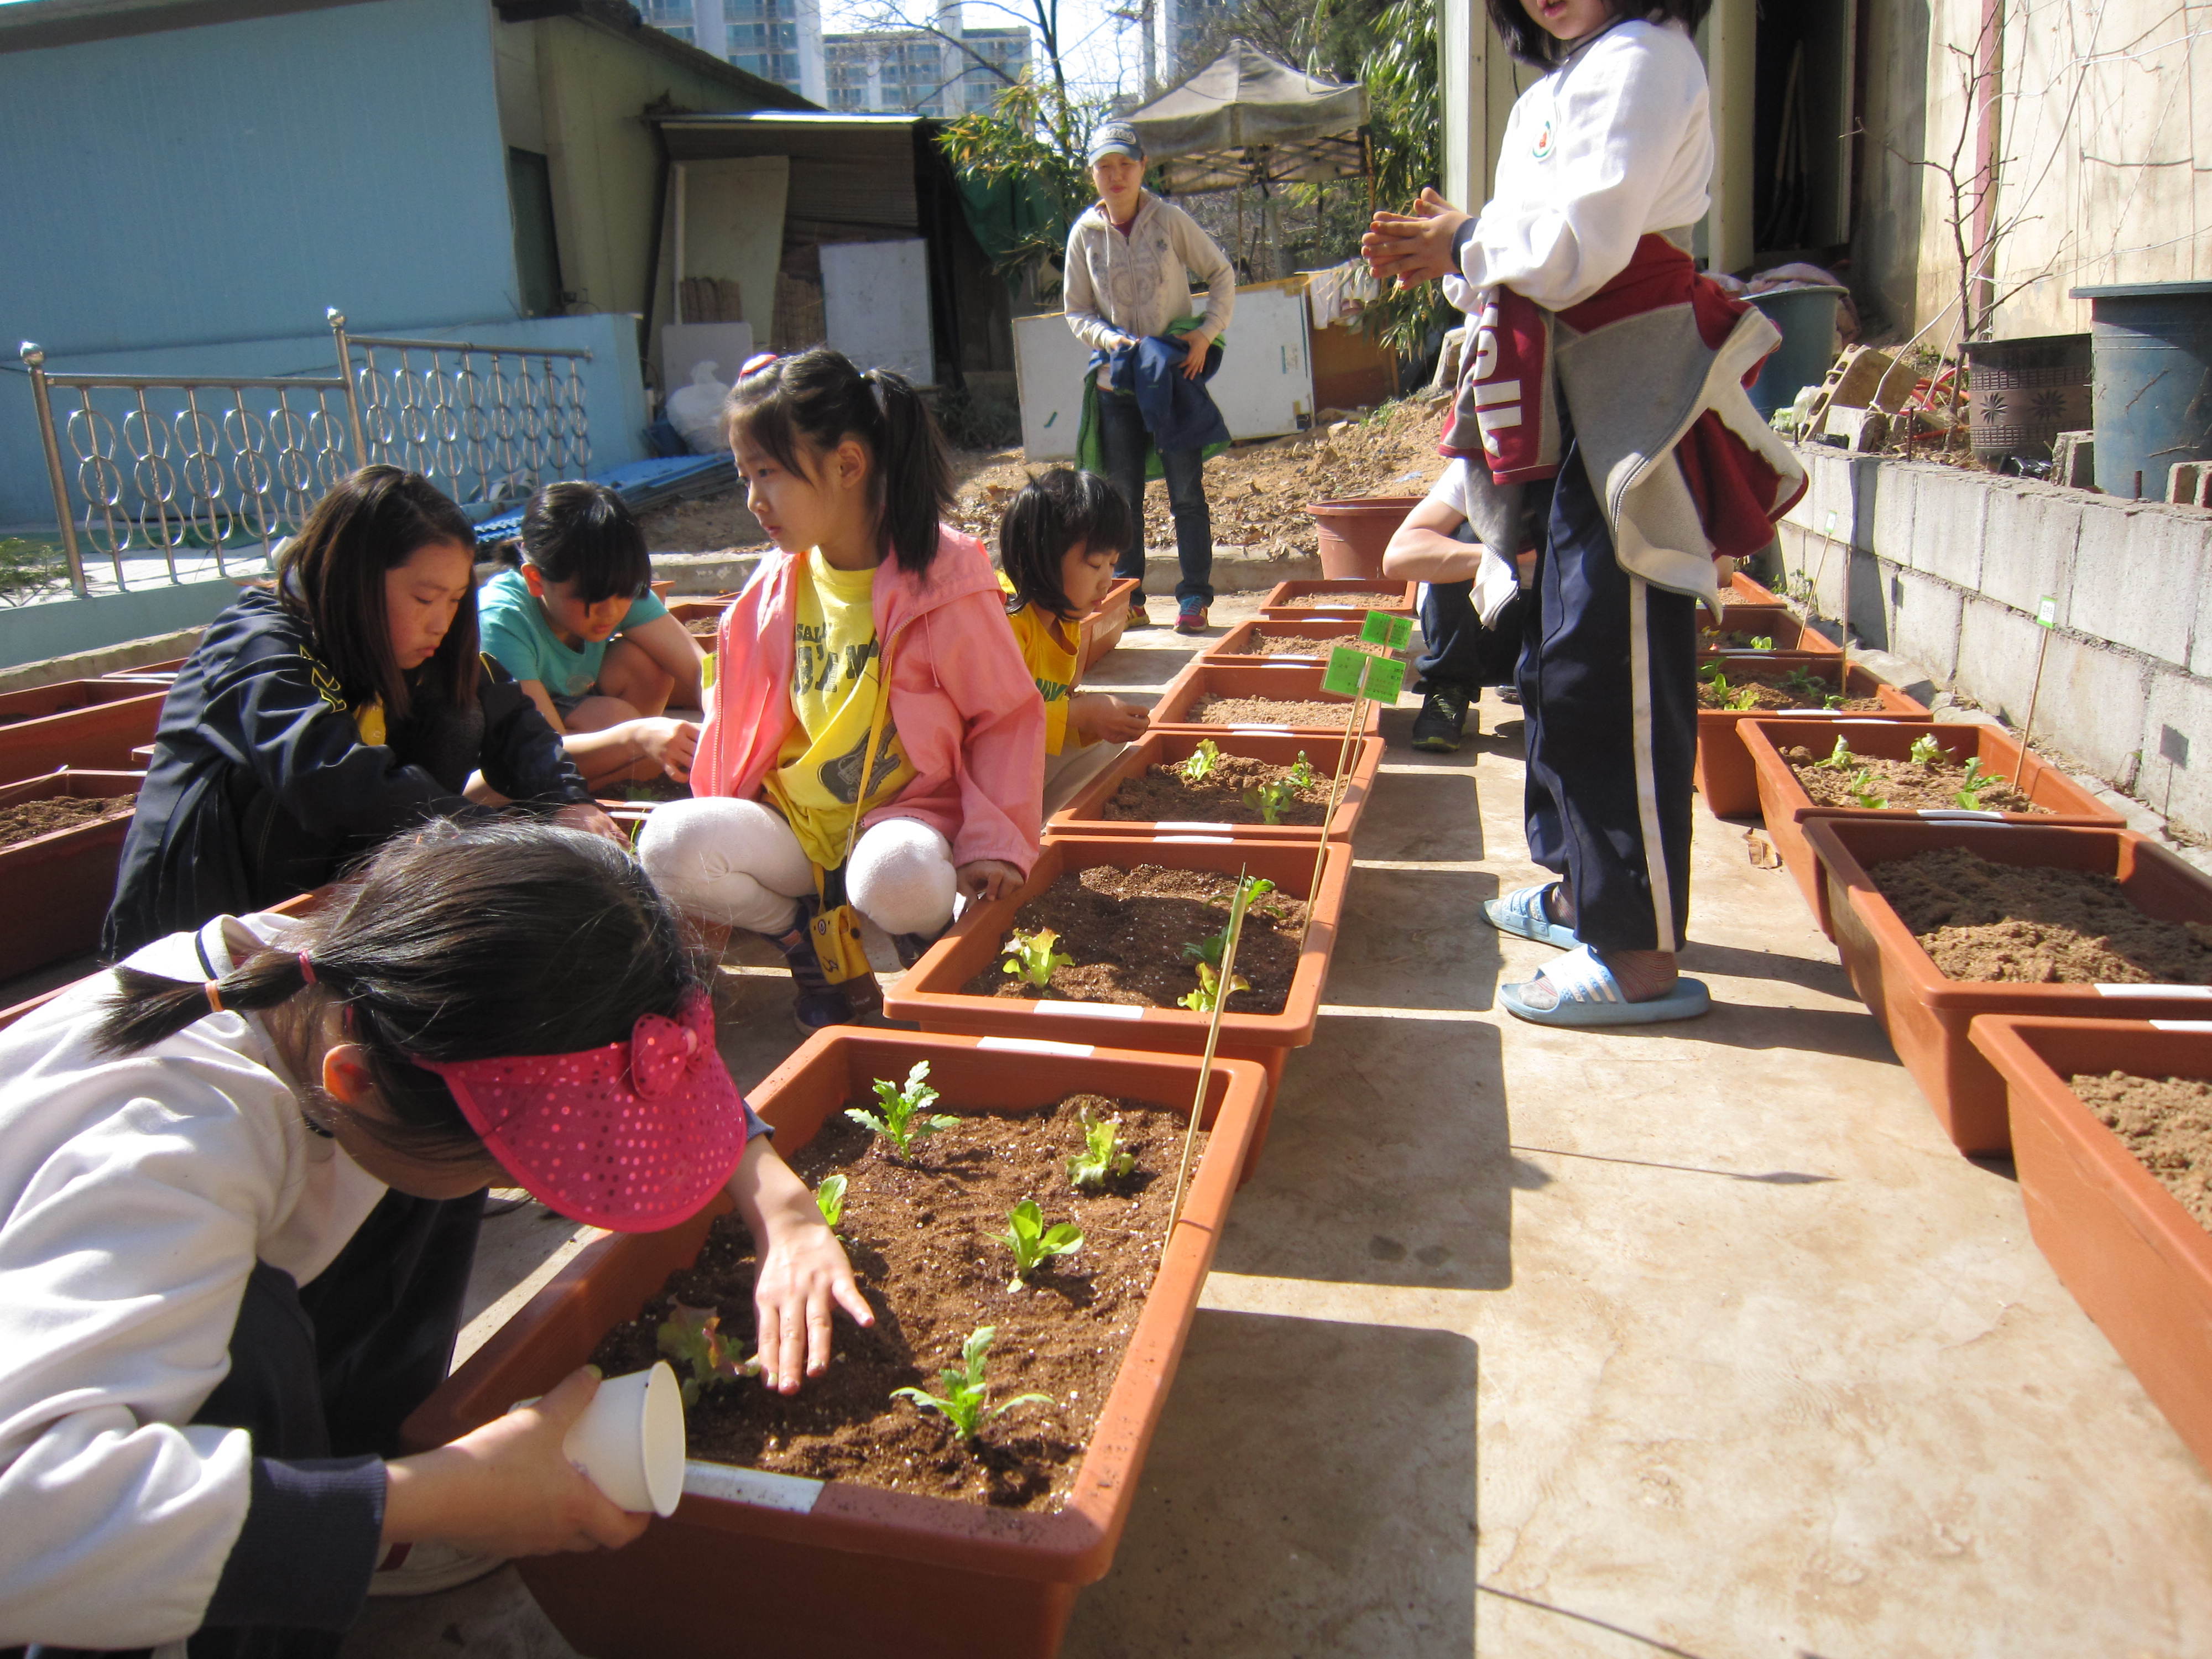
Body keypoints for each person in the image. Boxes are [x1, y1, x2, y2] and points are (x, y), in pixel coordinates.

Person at [0, 821, 868, 1657]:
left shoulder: (381, 979)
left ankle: (354, 1481)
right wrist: (428, 1500)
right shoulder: (166, 1149)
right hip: (51, 1571)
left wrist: (779, 1204)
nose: (531, 1188)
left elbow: (604, 1028)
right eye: (514, 1178)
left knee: (437, 1163)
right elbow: (28, 1522)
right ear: (353, 1083)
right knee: (255, 1340)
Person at [1362, 0, 1805, 1026]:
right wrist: (1454, 254)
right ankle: (1579, 894)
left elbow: (1582, 251)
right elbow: (1511, 279)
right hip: (1559, 406)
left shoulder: (1649, 58)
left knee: (1617, 670)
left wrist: (1467, 236)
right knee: (1556, 661)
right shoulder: (1551, 94)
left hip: (1633, 401)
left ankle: (1640, 953)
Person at [639, 348, 1045, 1033]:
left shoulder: (942, 575)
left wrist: (993, 842)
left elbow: (1003, 714)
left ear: (848, 465)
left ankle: (928, 941)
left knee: (900, 878)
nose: (753, 500)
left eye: (768, 473)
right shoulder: (772, 586)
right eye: (745, 476)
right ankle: (804, 937)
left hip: (900, 816)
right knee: (667, 844)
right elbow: (733, 708)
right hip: (796, 823)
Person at [104, 467, 619, 958]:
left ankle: (377, 919)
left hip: (327, 886)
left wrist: (569, 804)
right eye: (423, 598)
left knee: (459, 703)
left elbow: (516, 723)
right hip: (202, 908)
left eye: (455, 600)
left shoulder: (415, 649)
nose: (441, 623)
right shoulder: (260, 645)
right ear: (352, 579)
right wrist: (490, 839)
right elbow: (326, 774)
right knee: (313, 786)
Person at [1062, 120, 1237, 635]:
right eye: (1105, 166)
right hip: (1118, 382)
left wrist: (1205, 335)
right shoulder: (1084, 235)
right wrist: (1106, 339)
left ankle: (1195, 597)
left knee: (1186, 491)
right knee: (1121, 497)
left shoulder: (1169, 220)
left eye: (1125, 164)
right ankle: (1128, 595)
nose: (1116, 175)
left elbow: (1221, 274)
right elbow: (1077, 311)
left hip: (1174, 377)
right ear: (1093, 174)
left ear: (1143, 167)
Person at [478, 481, 706, 793]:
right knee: (614, 720)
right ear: (535, 579)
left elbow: (700, 669)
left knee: (645, 667)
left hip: (570, 713)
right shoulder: (502, 620)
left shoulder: (610, 582)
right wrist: (635, 737)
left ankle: (625, 774)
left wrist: (726, 719)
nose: (610, 612)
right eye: (592, 598)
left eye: (624, 593)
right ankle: (617, 777)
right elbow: (540, 752)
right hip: (514, 748)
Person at [996, 468, 1152, 813]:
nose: (1107, 581)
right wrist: (1081, 714)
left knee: (1110, 744)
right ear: (1043, 556)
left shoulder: (1066, 620)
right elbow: (996, 725)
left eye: (1112, 564)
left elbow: (1053, 708)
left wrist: (1097, 719)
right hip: (982, 778)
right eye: (1095, 564)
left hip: (1016, 771)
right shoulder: (1004, 623)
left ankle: (1031, 833)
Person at [1384, 473, 1531, 753]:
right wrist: (1510, 559)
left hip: (1554, 630)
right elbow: (1398, 558)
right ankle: (1449, 685)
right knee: (1461, 536)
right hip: (1475, 633)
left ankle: (1539, 680)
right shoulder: (1479, 466)